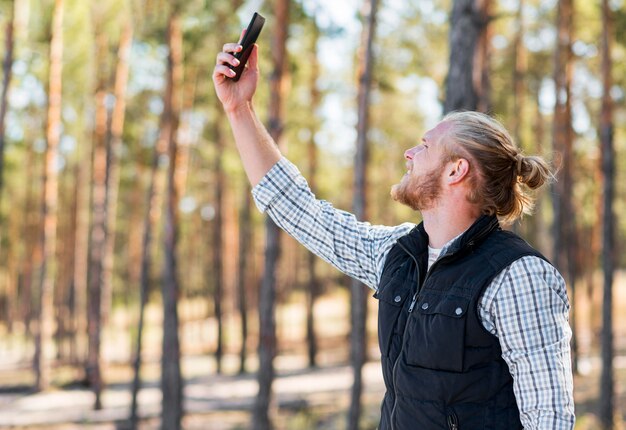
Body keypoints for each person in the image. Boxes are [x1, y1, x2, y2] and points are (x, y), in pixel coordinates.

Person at [213, 40, 575, 430]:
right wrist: (238, 108)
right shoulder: (398, 254)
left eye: (424, 146)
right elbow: (299, 210)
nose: (408, 153)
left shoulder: (518, 277)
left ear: (456, 171)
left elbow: (549, 418)